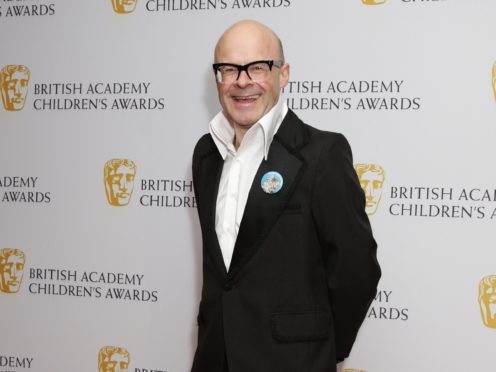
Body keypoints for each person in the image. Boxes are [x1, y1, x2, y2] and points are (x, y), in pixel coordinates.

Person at [191, 20, 381, 372]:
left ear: (283, 74)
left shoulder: (322, 154)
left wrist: (321, 350)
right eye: (229, 69)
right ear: (217, 78)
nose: (242, 81)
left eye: (258, 67)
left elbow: (357, 270)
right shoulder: (205, 154)